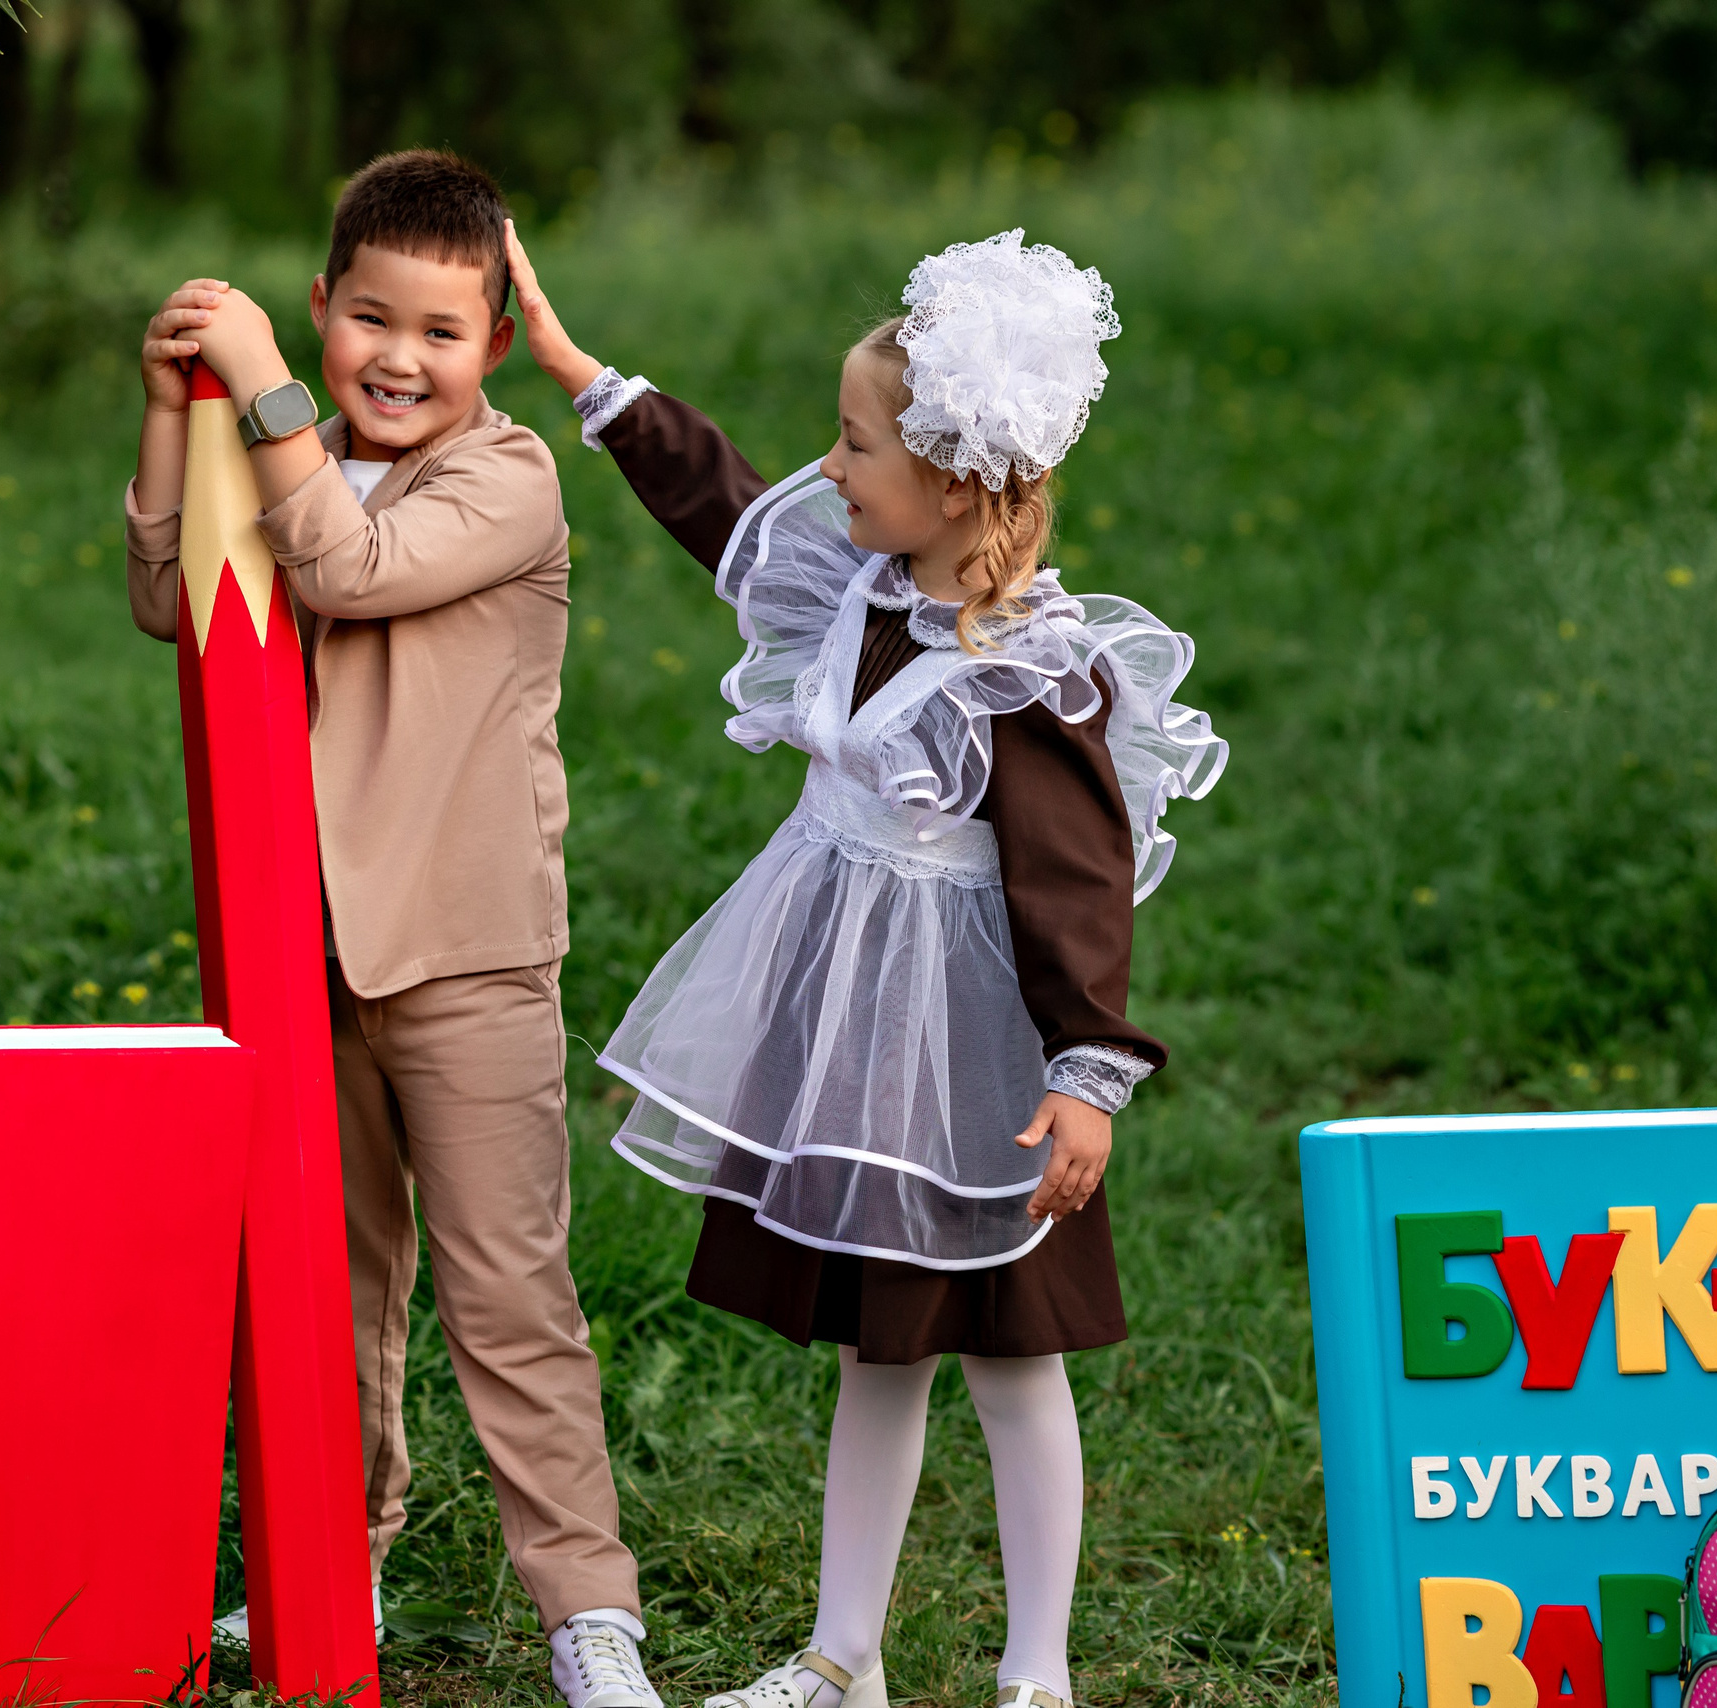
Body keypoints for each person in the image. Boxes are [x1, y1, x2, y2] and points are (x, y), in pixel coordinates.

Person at [506, 221, 1226, 1708]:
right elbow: (722, 505)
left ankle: (1039, 1676)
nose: (825, 470)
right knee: (877, 1349)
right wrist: (586, 379)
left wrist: (1087, 1074)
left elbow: (1078, 882)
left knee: (1014, 1355)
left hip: (986, 1064)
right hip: (852, 1037)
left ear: (952, 481)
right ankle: (846, 1656)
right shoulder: (858, 597)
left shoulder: (1031, 667)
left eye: (851, 445)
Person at [124, 151, 660, 1708]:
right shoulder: (278, 447)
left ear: (494, 342)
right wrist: (177, 406)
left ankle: (586, 1610)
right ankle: (326, 1557)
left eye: (440, 331)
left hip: (467, 947)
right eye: (370, 321)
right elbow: (175, 599)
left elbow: (346, 578)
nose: (399, 360)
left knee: (508, 1289)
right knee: (326, 1278)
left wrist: (270, 392)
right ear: (324, 304)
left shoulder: (508, 478)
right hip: (299, 955)